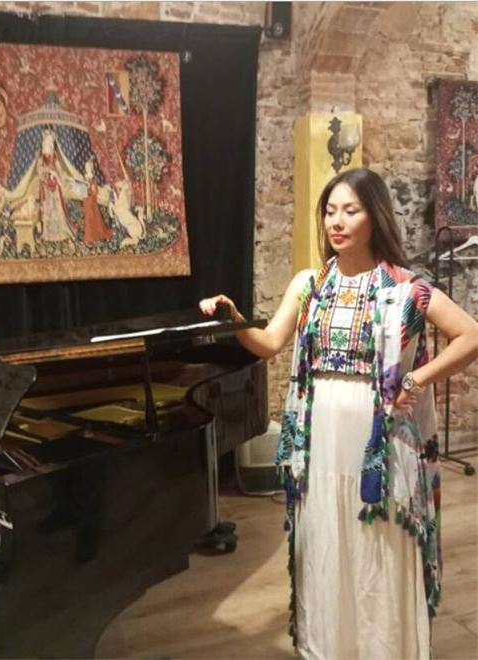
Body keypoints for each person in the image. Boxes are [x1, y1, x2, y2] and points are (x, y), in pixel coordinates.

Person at [199, 167, 478, 660]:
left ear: (376, 216)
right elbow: (268, 343)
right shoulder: (309, 284)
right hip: (320, 440)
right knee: (326, 538)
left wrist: (416, 379)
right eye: (330, 211)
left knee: (378, 545)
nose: (337, 221)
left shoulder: (405, 288)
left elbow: (471, 335)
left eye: (351, 210)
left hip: (379, 444)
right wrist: (234, 318)